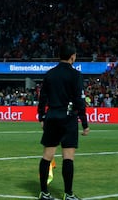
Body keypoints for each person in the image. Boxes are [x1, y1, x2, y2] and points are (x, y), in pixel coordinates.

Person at [37, 43, 90, 200]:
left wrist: (41, 117)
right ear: (72, 56)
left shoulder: (50, 74)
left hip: (52, 116)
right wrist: (85, 123)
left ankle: (44, 193)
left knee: (47, 156)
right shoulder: (75, 75)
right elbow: (80, 101)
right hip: (68, 118)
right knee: (68, 157)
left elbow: (42, 98)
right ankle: (68, 194)